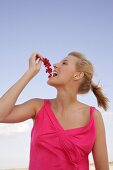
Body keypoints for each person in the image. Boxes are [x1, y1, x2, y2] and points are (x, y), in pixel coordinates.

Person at [0, 52, 109, 170]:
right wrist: (30, 72)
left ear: (77, 75)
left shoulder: (93, 116)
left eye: (64, 63)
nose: (55, 65)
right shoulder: (37, 106)